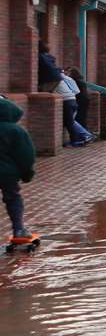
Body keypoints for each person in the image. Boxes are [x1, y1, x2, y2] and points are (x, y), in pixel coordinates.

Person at [0, 97, 36, 250]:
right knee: (13, 198)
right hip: (7, 174)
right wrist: (27, 172)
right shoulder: (16, 131)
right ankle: (19, 230)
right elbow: (26, 155)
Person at [53, 70, 90, 147]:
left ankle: (78, 139)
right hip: (73, 100)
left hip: (66, 101)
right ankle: (86, 135)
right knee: (71, 121)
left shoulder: (55, 78)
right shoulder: (69, 78)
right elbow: (77, 91)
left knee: (69, 122)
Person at [69, 68, 93, 143]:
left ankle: (86, 135)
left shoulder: (75, 81)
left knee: (79, 118)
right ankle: (87, 134)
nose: (68, 74)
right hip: (85, 101)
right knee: (82, 118)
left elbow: (76, 92)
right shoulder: (80, 80)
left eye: (69, 72)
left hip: (80, 101)